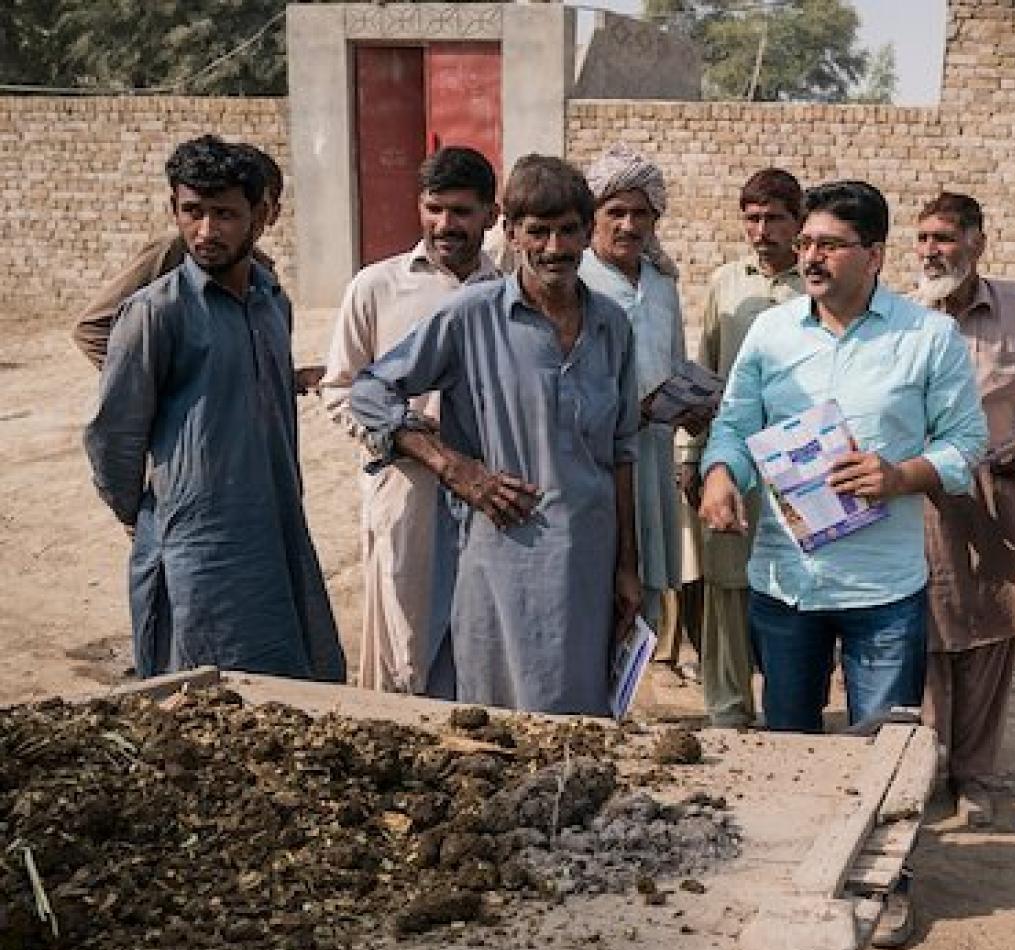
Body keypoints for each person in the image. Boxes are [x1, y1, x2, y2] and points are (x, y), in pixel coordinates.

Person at [700, 179, 986, 949]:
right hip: (785, 582)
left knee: (880, 745)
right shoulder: (769, 336)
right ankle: (786, 876)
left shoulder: (925, 339)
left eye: (827, 244)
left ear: (875, 255)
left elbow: (966, 448)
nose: (810, 257)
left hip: (882, 588)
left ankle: (882, 885)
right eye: (807, 245)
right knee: (788, 739)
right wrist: (722, 474)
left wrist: (900, 477)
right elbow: (733, 424)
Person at [350, 155, 641, 714]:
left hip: (589, 554)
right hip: (502, 550)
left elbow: (621, 451)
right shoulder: (471, 316)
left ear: (587, 234)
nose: (554, 248)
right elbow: (370, 392)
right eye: (538, 231)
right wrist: (454, 468)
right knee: (497, 718)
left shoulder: (610, 324)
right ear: (509, 233)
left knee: (581, 722)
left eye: (568, 231)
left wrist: (627, 567)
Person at [85, 135, 344, 682]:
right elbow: (114, 439)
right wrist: (154, 517)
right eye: (193, 212)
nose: (206, 231)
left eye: (225, 214)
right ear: (173, 210)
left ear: (261, 215)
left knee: (288, 689)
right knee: (199, 693)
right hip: (197, 546)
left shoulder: (274, 303)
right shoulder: (154, 313)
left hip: (273, 526)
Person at [913, 191, 1015, 827]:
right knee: (928, 632)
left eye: (945, 239)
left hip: (1002, 497)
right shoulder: (903, 317)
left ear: (978, 242)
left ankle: (974, 776)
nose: (932, 251)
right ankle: (925, 766)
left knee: (990, 636)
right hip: (927, 501)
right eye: (924, 239)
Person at [319, 146, 501, 697]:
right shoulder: (375, 286)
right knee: (406, 641)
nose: (446, 225)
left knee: (481, 631)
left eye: (462, 212)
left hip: (490, 488)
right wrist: (409, 438)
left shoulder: (510, 290)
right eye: (434, 209)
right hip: (406, 485)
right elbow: (340, 391)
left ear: (490, 216)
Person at [686, 168, 806, 728]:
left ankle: (790, 706)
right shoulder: (725, 284)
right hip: (731, 458)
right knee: (726, 584)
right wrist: (694, 458)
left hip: (801, 461)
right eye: (752, 218)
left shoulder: (818, 285)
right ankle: (729, 708)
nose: (761, 230)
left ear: (798, 222)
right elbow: (708, 374)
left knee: (794, 584)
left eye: (774, 218)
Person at [579, 146, 695, 642]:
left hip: (653, 455)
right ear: (594, 217)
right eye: (615, 212)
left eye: (640, 213)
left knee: (646, 586)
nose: (628, 225)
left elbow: (674, 362)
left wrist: (691, 400)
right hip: (597, 459)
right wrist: (629, 410)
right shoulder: (576, 278)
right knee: (598, 580)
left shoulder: (662, 284)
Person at [74, 143, 285, 372]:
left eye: (259, 206)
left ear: (270, 213)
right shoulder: (176, 251)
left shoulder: (265, 281)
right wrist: (155, 382)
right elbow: (92, 328)